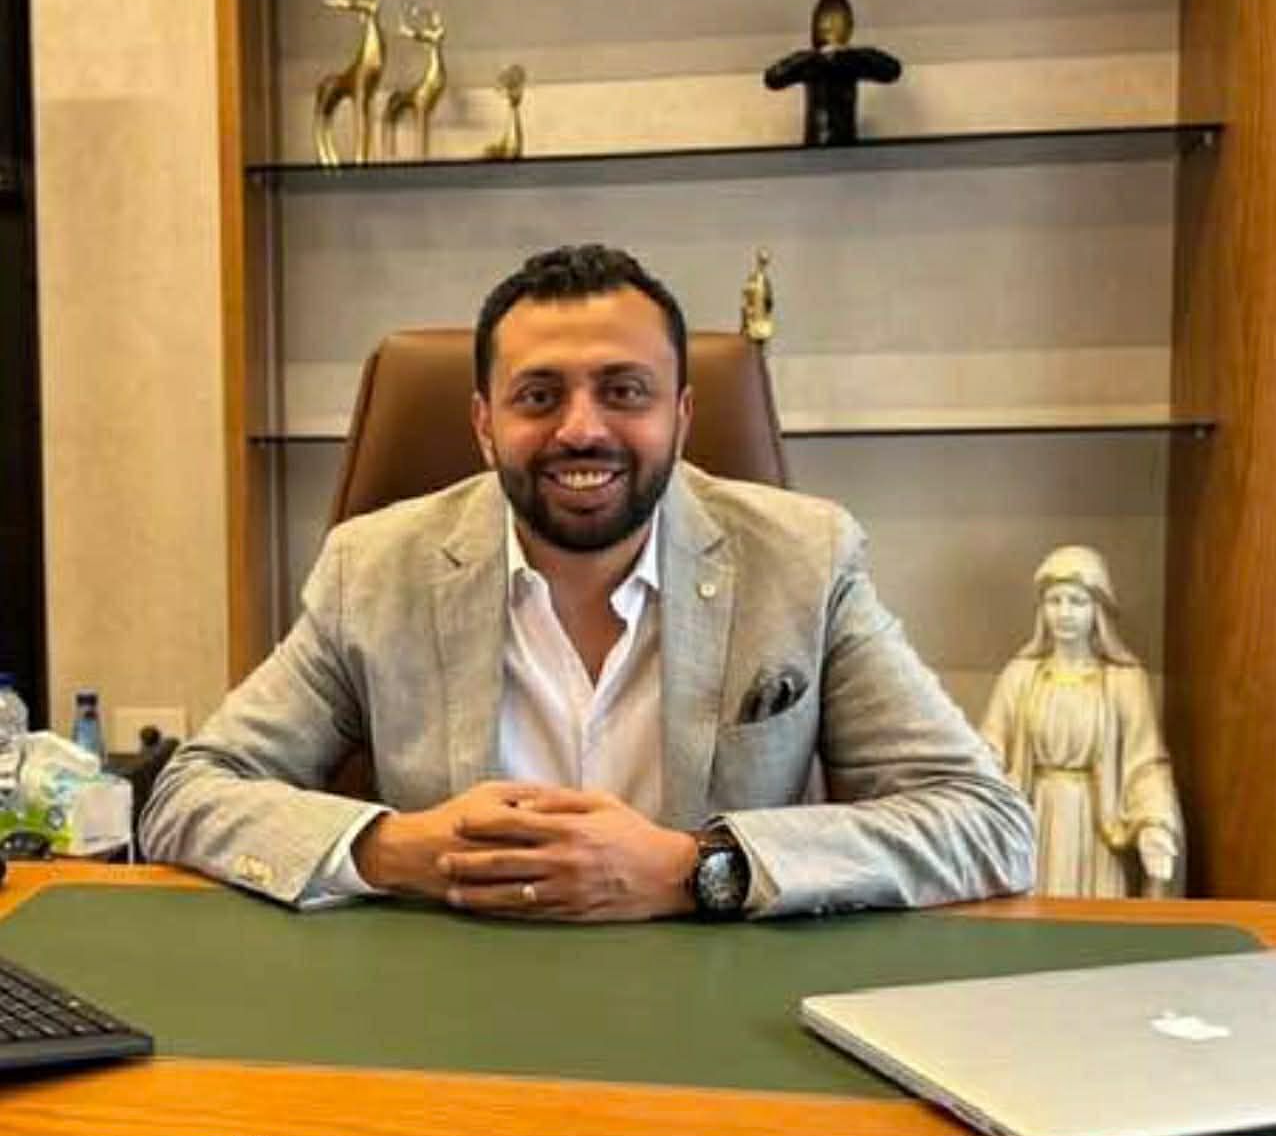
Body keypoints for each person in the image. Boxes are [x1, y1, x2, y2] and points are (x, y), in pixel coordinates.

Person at [141, 244, 1033, 919]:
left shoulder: (805, 559)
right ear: (484, 425)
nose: (582, 429)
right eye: (539, 396)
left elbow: (985, 823)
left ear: (681, 414)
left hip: (720, 1017)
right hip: (447, 1012)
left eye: (624, 391)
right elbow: (191, 794)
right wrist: (398, 850)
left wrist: (694, 868)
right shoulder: (373, 568)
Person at [979, 545, 1183, 898]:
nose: (1064, 613)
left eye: (1077, 601)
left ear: (1097, 609)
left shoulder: (1124, 681)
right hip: (1035, 821)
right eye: (1054, 601)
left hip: (1098, 829)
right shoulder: (1019, 676)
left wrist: (1154, 824)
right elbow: (988, 750)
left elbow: (1146, 763)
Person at [763, 0, 901, 147]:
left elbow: (892, 70)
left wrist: (851, 53)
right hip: (816, 144)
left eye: (837, 22)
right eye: (826, 23)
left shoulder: (851, 60)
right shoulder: (811, 62)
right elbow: (773, 78)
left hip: (845, 144)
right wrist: (811, 57)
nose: (830, 27)